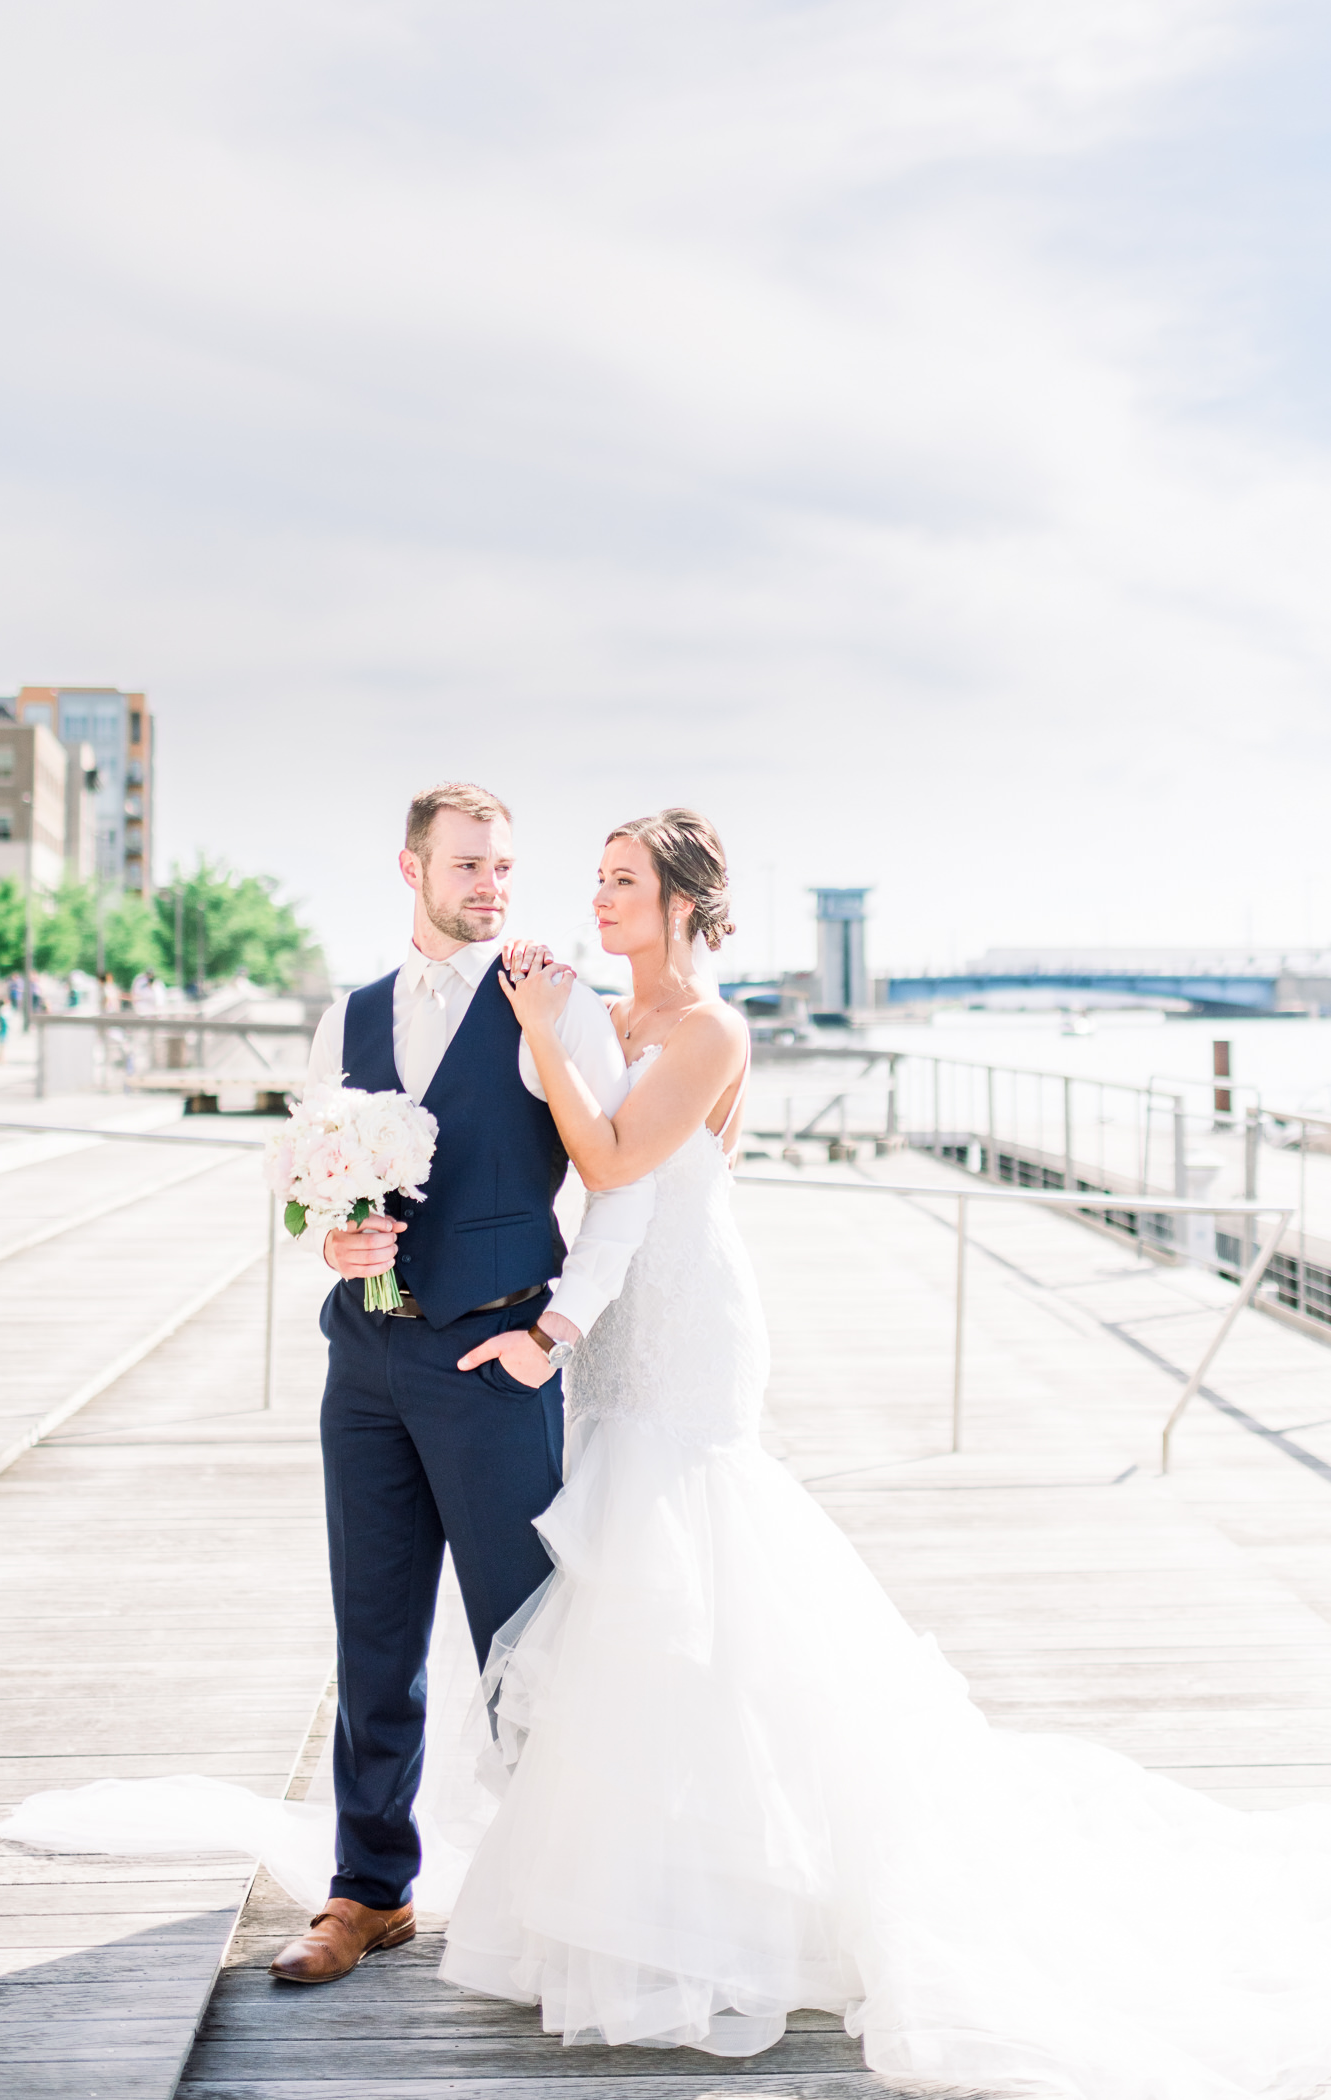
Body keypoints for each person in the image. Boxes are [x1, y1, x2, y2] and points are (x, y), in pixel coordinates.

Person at [433, 808, 1331, 2092]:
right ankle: (641, 1872)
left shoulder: (711, 1030)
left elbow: (616, 1154)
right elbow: (564, 1169)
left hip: (689, 1324)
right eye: (600, 880)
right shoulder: (607, 1021)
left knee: (696, 1575)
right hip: (611, 1315)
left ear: (687, 901)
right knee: (616, 1595)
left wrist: (536, 1031)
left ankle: (736, 1891)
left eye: (625, 882)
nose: (603, 899)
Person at [265, 781, 654, 1982]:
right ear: (412, 869)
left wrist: (560, 1330)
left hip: (495, 1360)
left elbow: (621, 1181)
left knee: (523, 1639)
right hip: (366, 1361)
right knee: (373, 1631)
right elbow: (317, 1182)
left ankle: (563, 1901)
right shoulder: (354, 1015)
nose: (491, 887)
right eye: (469, 866)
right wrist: (331, 1240)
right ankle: (367, 1889)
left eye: (504, 868)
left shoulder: (553, 1002)